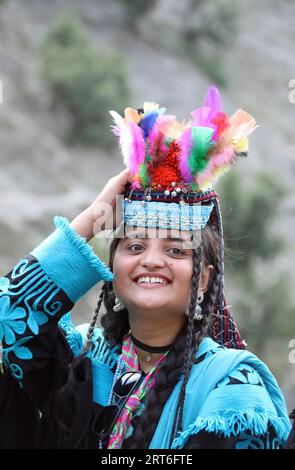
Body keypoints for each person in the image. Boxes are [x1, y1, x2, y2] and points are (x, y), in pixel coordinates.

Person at [0, 86, 291, 449]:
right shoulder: (83, 358)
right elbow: (9, 319)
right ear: (113, 268)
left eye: (175, 250)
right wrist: (93, 217)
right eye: (135, 246)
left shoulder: (231, 388)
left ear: (203, 279)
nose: (152, 260)